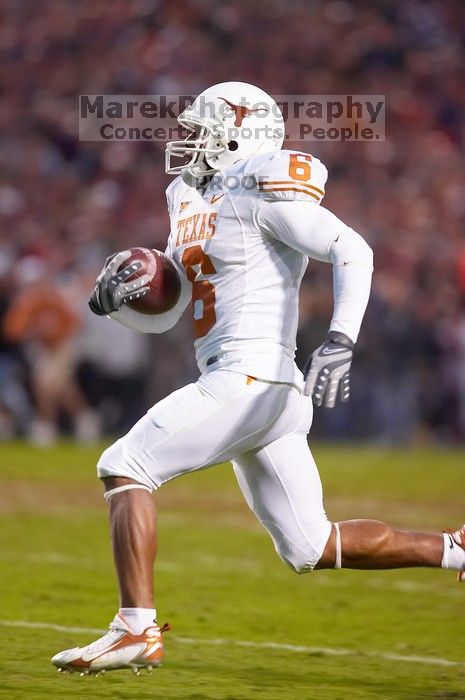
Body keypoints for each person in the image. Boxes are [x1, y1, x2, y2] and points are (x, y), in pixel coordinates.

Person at [52, 82, 465, 676]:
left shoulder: (261, 185)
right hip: (261, 387)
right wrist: (129, 292)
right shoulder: (189, 195)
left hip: (251, 375)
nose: (188, 141)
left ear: (240, 132)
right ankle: (455, 550)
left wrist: (341, 339)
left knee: (125, 465)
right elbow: (175, 303)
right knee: (310, 546)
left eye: (201, 130)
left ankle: (134, 630)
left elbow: (353, 249)